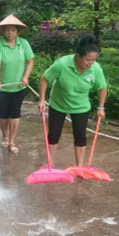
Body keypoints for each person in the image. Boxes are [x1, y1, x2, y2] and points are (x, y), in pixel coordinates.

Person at [38, 33, 108, 168]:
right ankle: (50, 164)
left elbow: (102, 87)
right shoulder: (62, 64)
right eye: (88, 59)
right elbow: (44, 79)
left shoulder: (95, 68)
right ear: (78, 56)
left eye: (94, 59)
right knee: (53, 134)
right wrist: (42, 99)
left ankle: (79, 166)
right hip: (58, 104)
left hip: (80, 106)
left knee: (80, 136)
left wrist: (101, 107)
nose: (91, 63)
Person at [0, 15, 35, 154]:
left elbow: (30, 61)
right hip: (4, 87)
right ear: (3, 31)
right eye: (7, 30)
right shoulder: (0, 44)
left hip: (19, 87)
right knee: (3, 114)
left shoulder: (24, 44)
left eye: (13, 30)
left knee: (15, 114)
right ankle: (5, 136)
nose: (10, 33)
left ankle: (12, 141)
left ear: (18, 32)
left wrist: (25, 77)